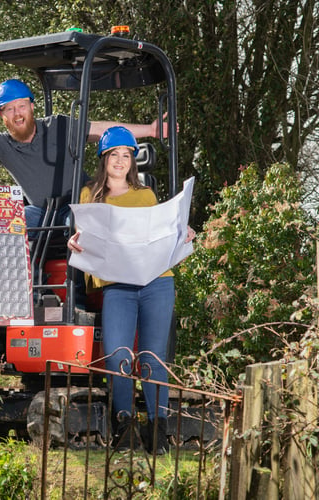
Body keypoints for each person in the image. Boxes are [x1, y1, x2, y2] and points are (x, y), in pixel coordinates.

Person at [0, 68, 171, 237]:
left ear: (31, 107)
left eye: (21, 106)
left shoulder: (58, 126)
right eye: (9, 109)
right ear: (2, 115)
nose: (17, 113)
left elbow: (105, 130)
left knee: (78, 224)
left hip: (78, 204)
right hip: (41, 213)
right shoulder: (3, 145)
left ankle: (78, 295)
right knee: (9, 223)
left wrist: (150, 129)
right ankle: (19, 295)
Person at [66, 126, 196, 454]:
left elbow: (160, 236)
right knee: (119, 357)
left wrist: (183, 234)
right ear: (104, 159)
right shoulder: (89, 196)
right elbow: (86, 240)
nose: (121, 161)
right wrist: (74, 242)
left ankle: (157, 433)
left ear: (132, 161)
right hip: (118, 287)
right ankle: (123, 429)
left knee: (153, 358)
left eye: (127, 155)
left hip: (156, 282)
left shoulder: (147, 196)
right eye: (114, 155)